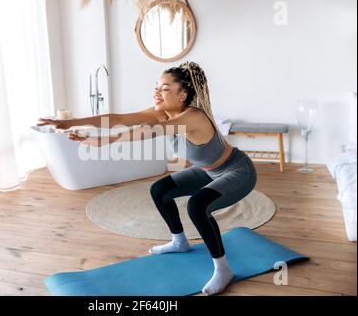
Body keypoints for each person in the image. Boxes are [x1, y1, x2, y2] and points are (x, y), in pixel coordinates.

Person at [37, 61, 257, 296]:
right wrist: (69, 122)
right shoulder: (161, 113)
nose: (155, 92)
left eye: (164, 88)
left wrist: (102, 141)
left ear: (182, 94)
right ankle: (179, 242)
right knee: (160, 190)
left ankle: (222, 269)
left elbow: (147, 132)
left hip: (237, 171)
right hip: (207, 170)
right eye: (156, 86)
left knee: (197, 206)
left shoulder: (193, 117)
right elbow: (117, 118)